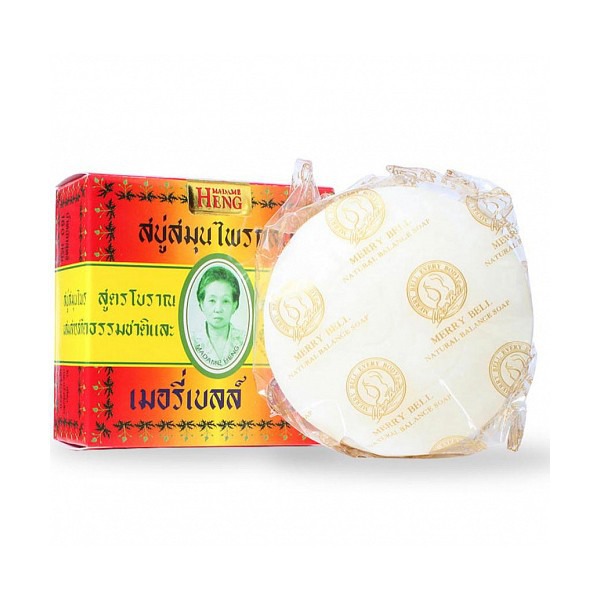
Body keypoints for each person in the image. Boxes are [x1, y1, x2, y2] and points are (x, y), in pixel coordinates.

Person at [193, 266, 245, 368]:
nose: (218, 309)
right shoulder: (192, 341)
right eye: (212, 300)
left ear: (235, 305)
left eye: (225, 301)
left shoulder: (244, 341)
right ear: (201, 303)